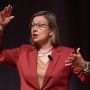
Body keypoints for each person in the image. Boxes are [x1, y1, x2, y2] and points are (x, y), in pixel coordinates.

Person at [0, 4, 90, 90]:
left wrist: (84, 65)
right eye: (33, 25)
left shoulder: (67, 53)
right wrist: (1, 27)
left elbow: (87, 79)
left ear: (51, 31)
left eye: (39, 25)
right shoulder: (22, 52)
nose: (34, 29)